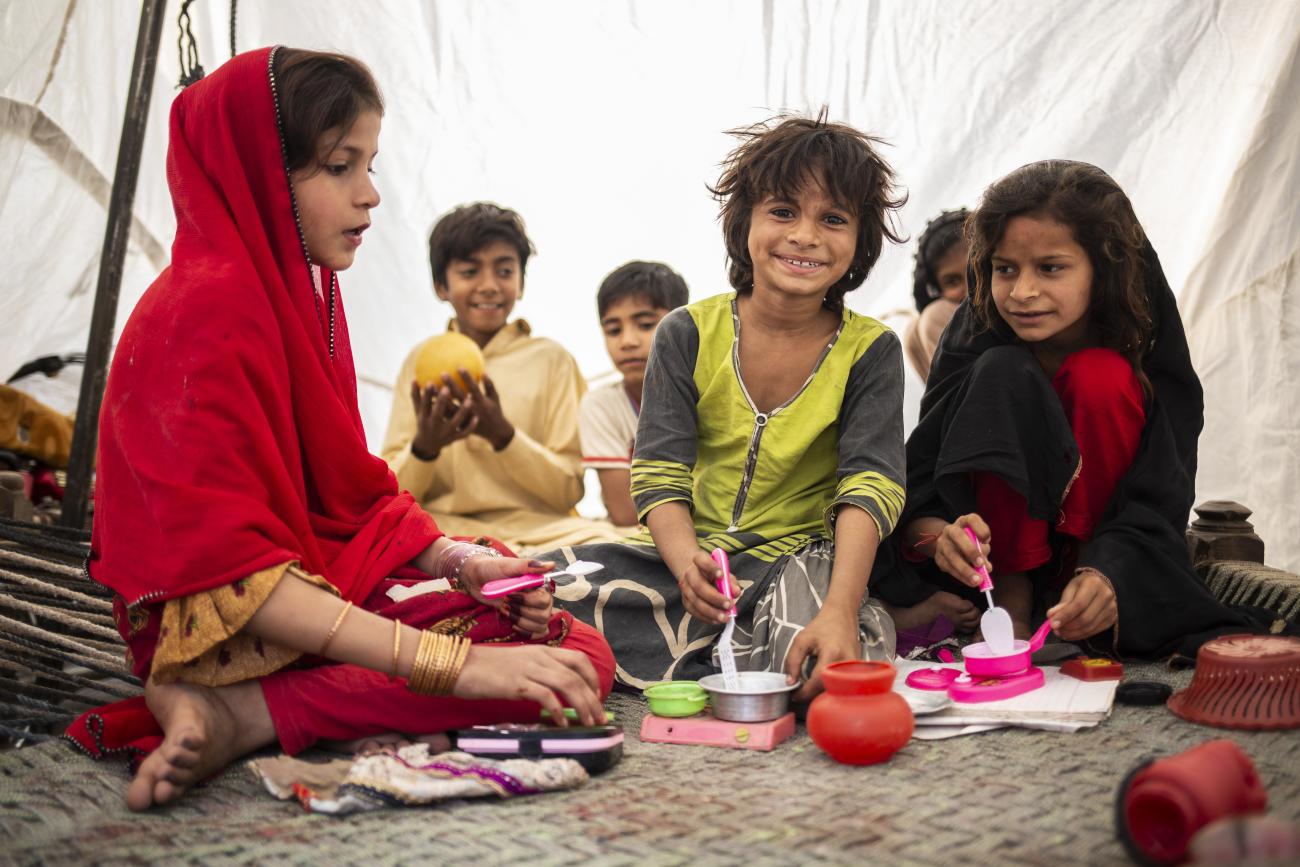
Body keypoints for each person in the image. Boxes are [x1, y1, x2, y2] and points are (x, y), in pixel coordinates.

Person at [63, 47, 613, 812]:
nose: (370, 195)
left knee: (566, 646)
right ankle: (246, 704)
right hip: (219, 627)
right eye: (338, 167)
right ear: (257, 170)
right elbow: (231, 575)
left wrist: (456, 560)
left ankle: (250, 714)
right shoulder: (202, 313)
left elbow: (352, 494)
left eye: (371, 165)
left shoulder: (296, 292)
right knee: (554, 666)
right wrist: (456, 667)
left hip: (314, 585)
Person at [536, 113, 908, 699]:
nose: (805, 235)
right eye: (783, 211)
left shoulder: (873, 350)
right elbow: (658, 474)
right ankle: (716, 643)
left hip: (799, 564)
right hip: (686, 561)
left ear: (860, 242)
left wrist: (838, 608)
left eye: (832, 219)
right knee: (533, 593)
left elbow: (872, 485)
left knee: (817, 663)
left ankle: (848, 623)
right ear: (744, 222)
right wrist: (687, 565)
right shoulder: (685, 332)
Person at [872, 159, 1277, 657]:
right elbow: (926, 482)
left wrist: (1110, 574)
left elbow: (1159, 495)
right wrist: (942, 538)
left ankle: (1083, 590)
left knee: (1100, 376)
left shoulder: (1146, 347)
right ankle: (1016, 606)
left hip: (1112, 565)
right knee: (1003, 370)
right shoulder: (975, 338)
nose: (1022, 292)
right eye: (1005, 269)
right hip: (989, 586)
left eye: (1051, 268)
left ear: (1102, 268)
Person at [381, 203, 624, 552]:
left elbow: (568, 491)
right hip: (443, 535)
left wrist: (504, 435)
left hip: (547, 534)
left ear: (521, 283)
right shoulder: (420, 362)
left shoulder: (553, 360)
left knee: (621, 547)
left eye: (505, 271)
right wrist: (425, 447)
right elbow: (393, 495)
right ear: (440, 286)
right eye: (469, 272)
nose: (490, 286)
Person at [579, 260, 690, 527]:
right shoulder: (600, 405)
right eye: (614, 330)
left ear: (683, 325)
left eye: (645, 325)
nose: (628, 341)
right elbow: (625, 514)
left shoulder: (712, 390)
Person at [903, 208, 969, 383]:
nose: (970, 287)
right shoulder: (938, 316)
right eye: (952, 282)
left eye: (975, 269)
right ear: (937, 290)